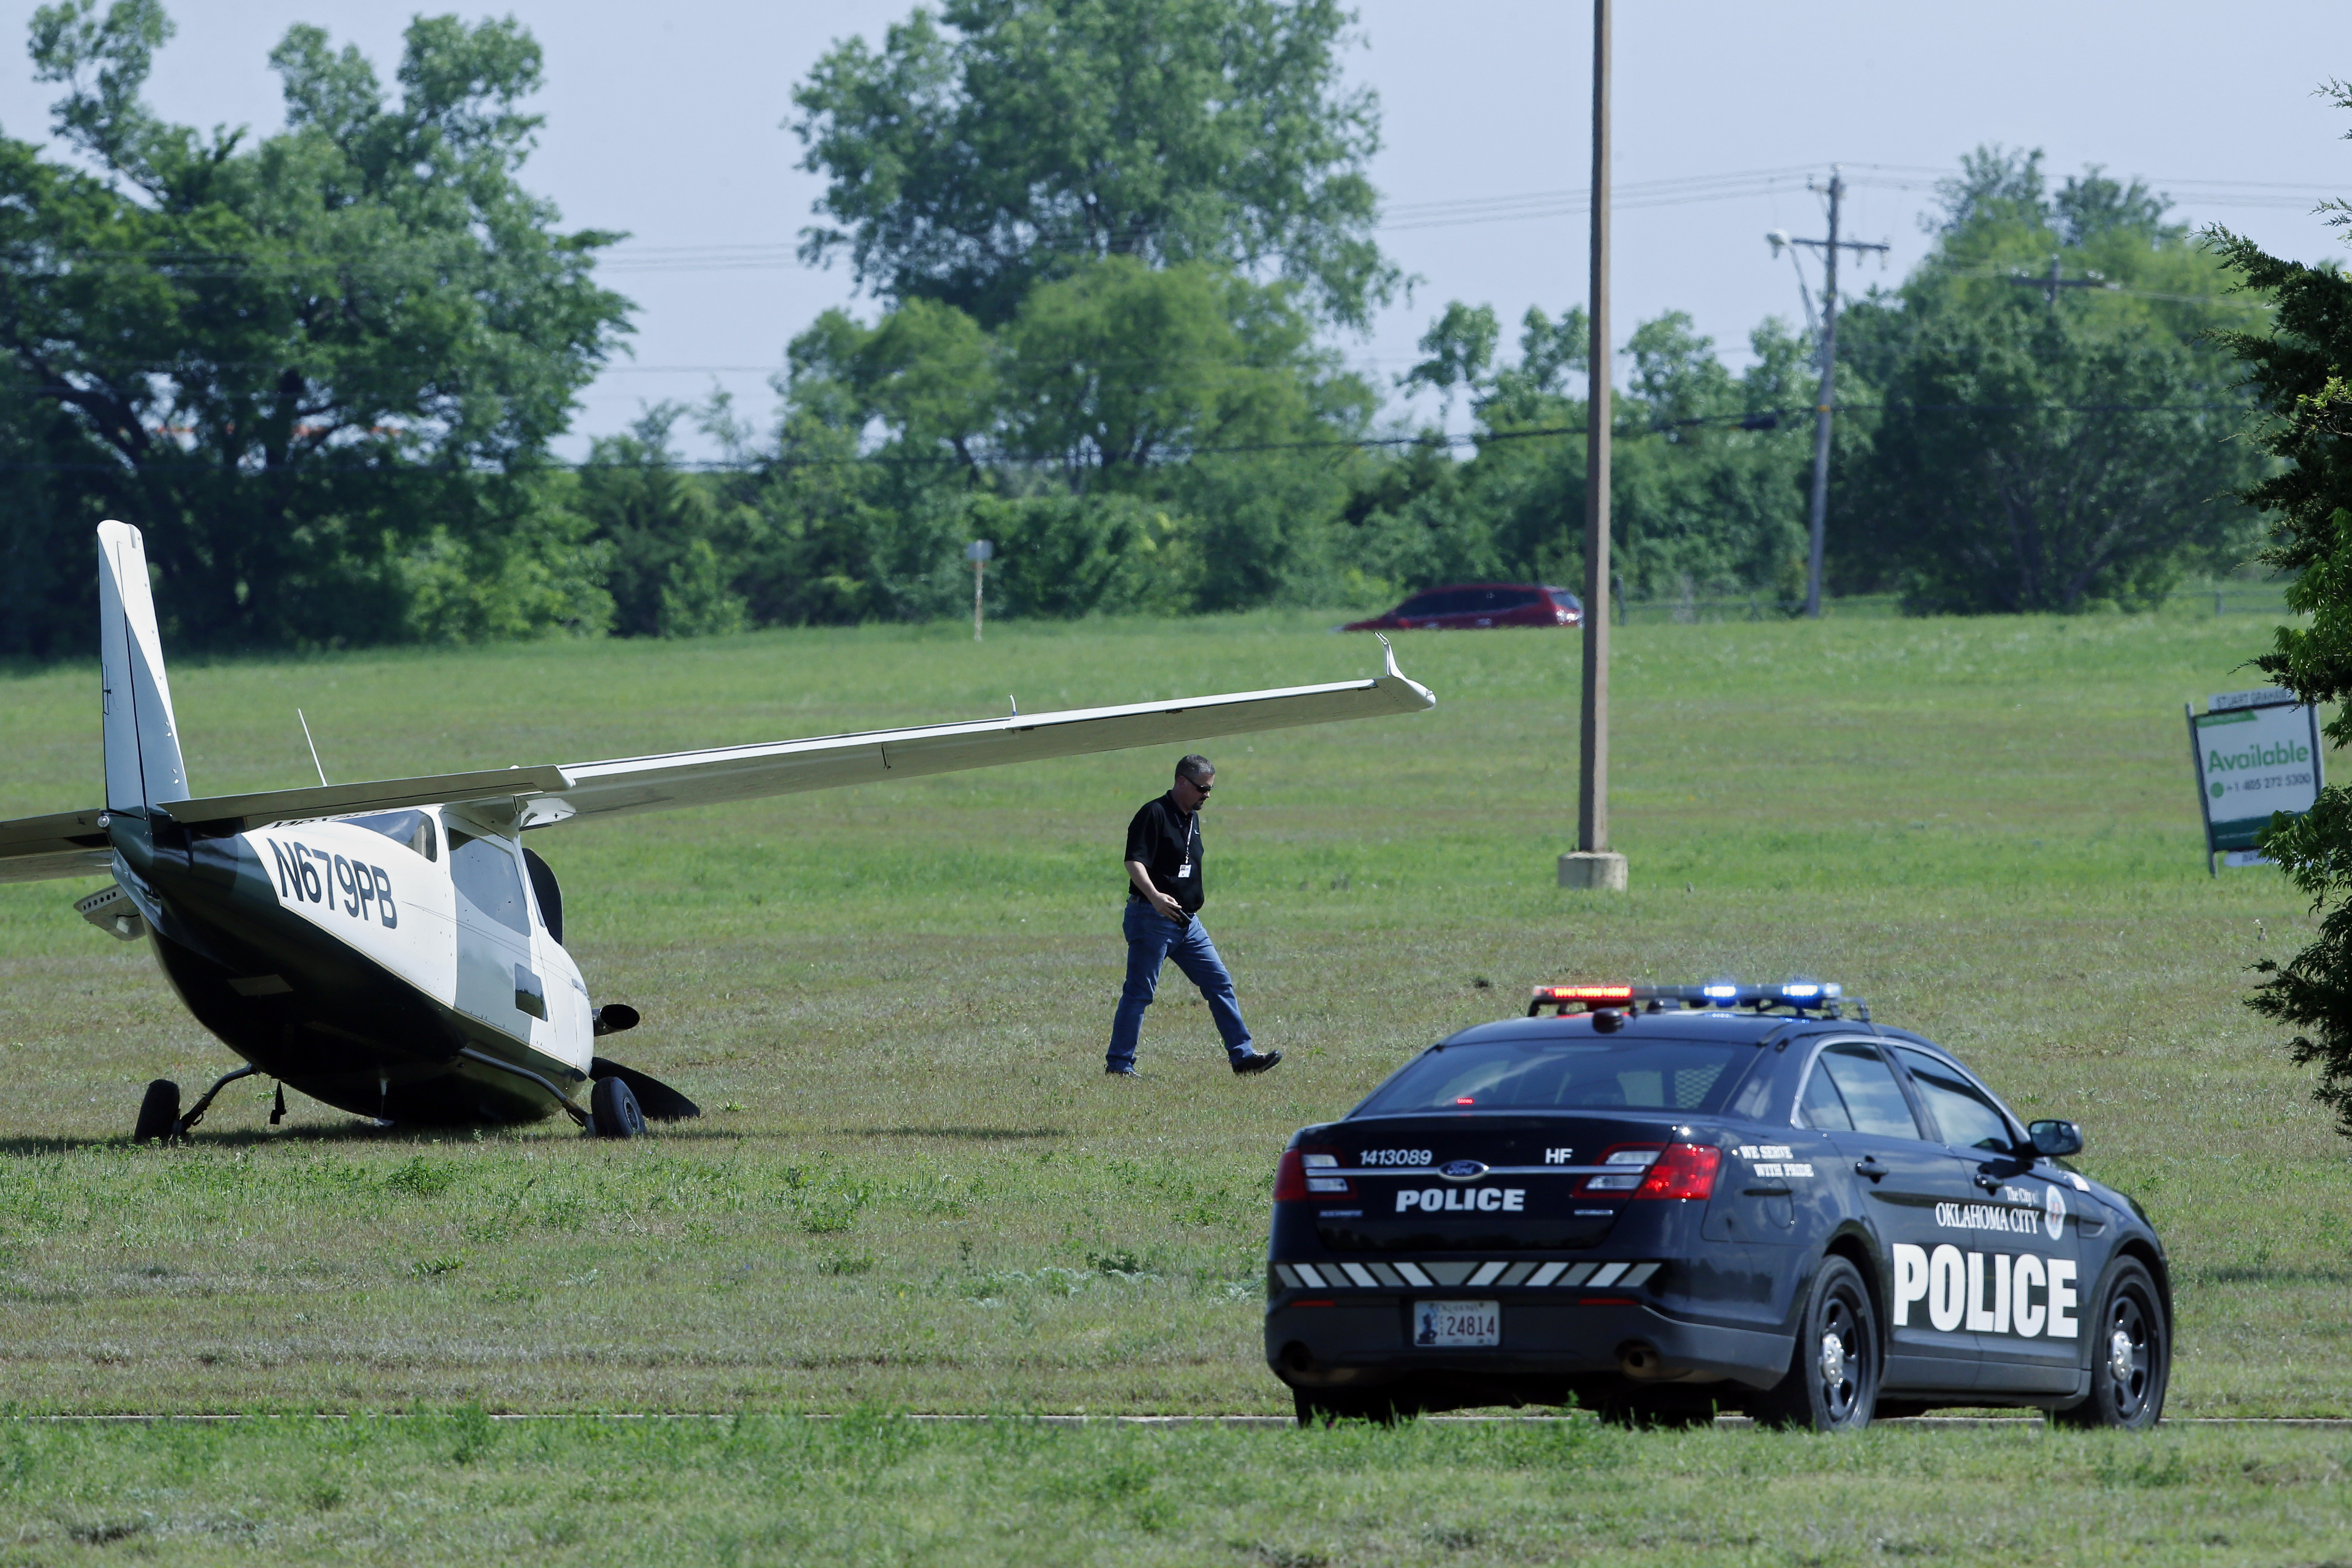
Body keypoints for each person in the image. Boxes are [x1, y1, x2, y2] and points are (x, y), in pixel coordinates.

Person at [1106, 754, 1281, 1078]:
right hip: (1153, 917)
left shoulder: (1191, 817)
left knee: (1219, 982)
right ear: (1181, 782)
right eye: (1202, 788)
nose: (1207, 795)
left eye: (1211, 789)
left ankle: (1242, 1057)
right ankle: (1119, 1065)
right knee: (1140, 993)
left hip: (1188, 923)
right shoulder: (1154, 813)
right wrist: (1155, 897)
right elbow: (1134, 861)